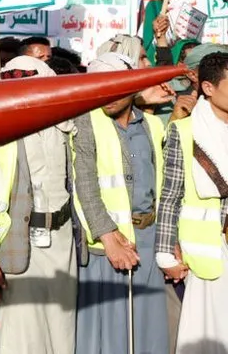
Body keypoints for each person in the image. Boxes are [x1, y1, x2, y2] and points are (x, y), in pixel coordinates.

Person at [0, 56, 76, 354]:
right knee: (24, 338)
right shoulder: (1, 130)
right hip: (21, 242)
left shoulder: (66, 122)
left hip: (63, 241)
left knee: (63, 334)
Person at [73, 52, 169, 354]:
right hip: (109, 242)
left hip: (148, 237)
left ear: (132, 86)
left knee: (148, 325)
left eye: (115, 87)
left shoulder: (153, 125)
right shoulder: (86, 122)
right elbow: (84, 182)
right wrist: (107, 236)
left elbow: (162, 185)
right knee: (110, 330)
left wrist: (170, 240)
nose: (108, 96)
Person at [156, 51, 228, 353]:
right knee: (207, 336)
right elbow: (170, 195)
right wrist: (165, 252)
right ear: (208, 88)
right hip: (206, 251)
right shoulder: (184, 131)